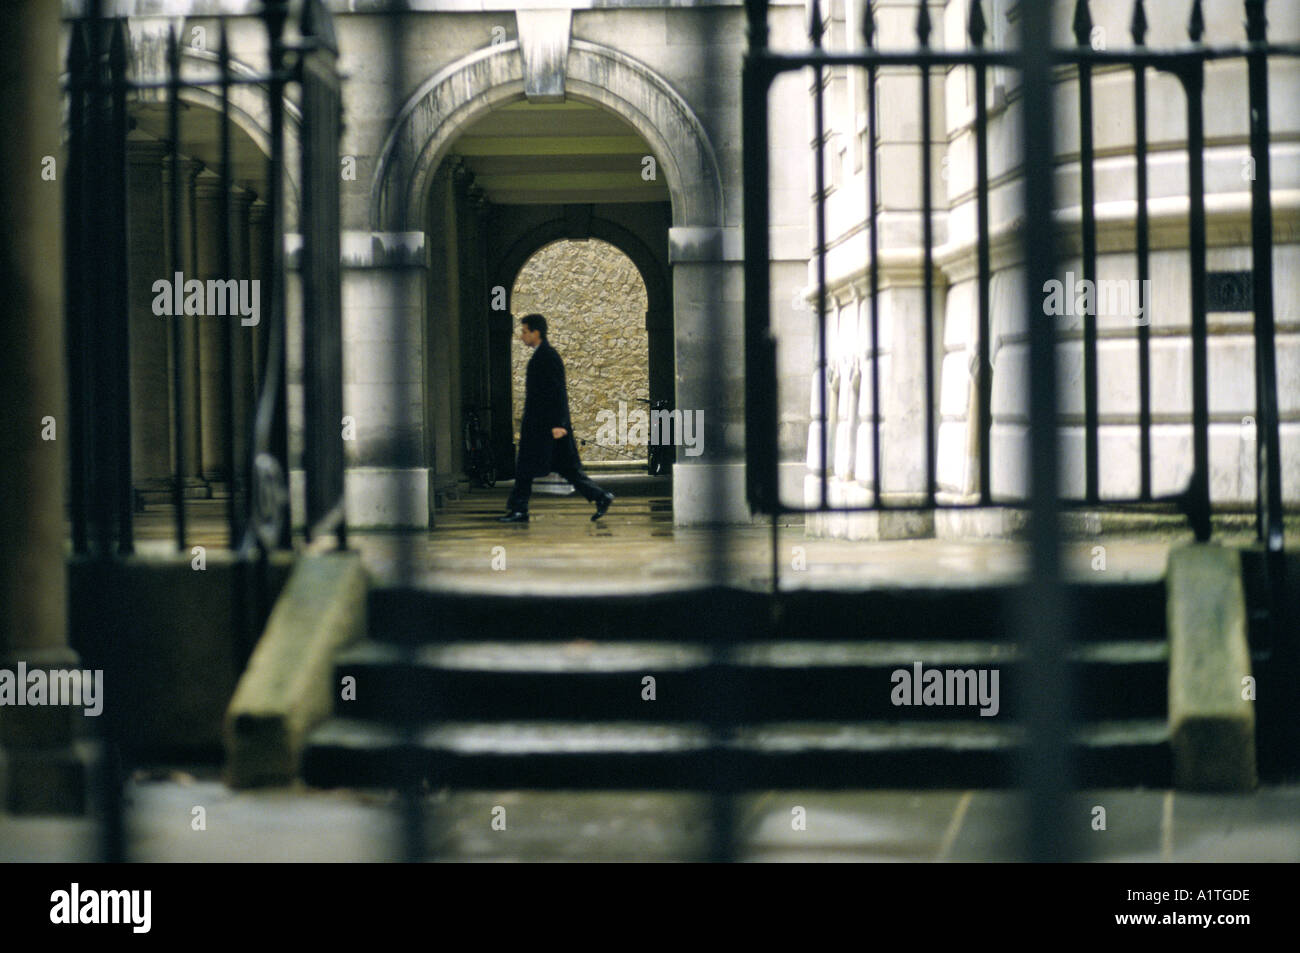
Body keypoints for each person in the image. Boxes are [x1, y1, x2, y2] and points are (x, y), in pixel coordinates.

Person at [499, 314, 615, 523]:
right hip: (541, 425)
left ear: (536, 332)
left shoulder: (548, 357)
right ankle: (600, 496)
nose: (521, 336)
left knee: (527, 467)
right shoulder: (542, 356)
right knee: (564, 468)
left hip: (545, 427)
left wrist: (558, 424)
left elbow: (557, 392)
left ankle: (519, 510)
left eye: (525, 331)